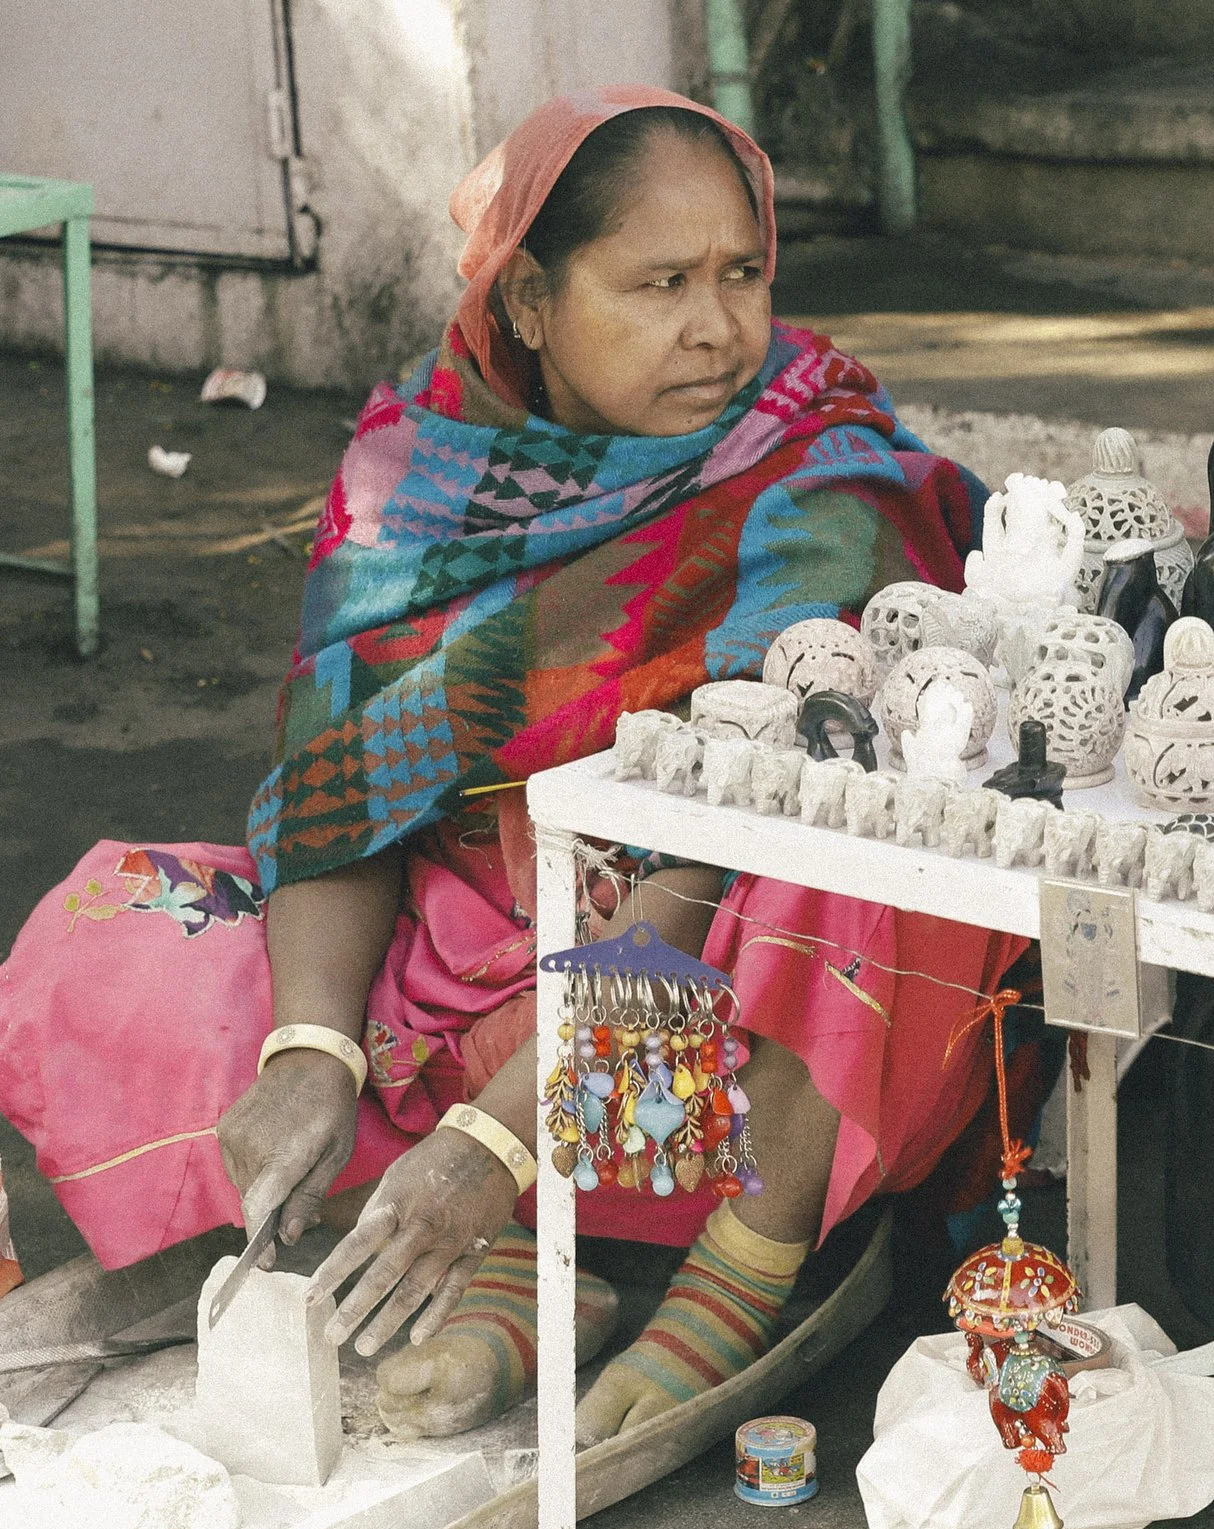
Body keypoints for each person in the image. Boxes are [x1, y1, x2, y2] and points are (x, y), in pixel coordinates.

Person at [0, 86, 1023, 1447]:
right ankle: (501, 1267)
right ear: (530, 302)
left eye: (741, 275)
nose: (716, 326)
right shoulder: (410, 476)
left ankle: (729, 1280)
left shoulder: (817, 473)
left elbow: (710, 847)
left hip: (701, 1004)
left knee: (870, 865)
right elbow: (336, 795)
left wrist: (495, 1142)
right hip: (458, 968)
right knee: (104, 939)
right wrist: (310, 1049)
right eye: (660, 283)